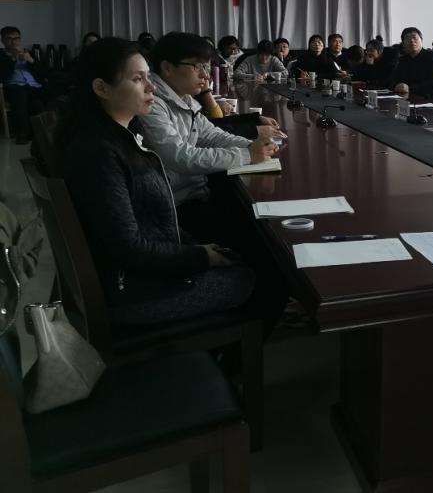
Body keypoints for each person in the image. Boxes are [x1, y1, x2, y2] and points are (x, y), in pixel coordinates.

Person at [59, 38, 255, 327]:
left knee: (244, 248)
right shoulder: (98, 153)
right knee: (257, 277)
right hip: (133, 293)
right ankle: (216, 349)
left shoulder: (124, 134)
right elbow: (128, 248)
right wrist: (201, 256)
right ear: (101, 88)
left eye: (148, 77)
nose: (152, 88)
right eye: (138, 79)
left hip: (149, 270)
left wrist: (197, 249)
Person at [136, 32, 288, 330]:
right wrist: (247, 155)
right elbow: (181, 157)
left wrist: (253, 146)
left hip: (197, 195)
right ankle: (243, 336)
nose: (206, 75)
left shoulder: (182, 98)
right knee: (271, 253)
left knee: (264, 231)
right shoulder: (154, 104)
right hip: (179, 210)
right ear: (167, 68)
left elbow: (210, 134)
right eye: (197, 67)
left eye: (207, 67)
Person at [1, 25, 49, 143]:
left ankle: (48, 132)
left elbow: (44, 72)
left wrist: (31, 60)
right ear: (3, 41)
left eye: (16, 38)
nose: (13, 42)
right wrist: (13, 58)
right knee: (20, 94)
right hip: (14, 87)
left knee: (40, 101)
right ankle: (23, 133)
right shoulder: (1, 55)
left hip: (34, 86)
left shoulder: (29, 53)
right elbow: (3, 73)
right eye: (9, 39)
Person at [393, 26, 433, 103]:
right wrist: (396, 86)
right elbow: (394, 79)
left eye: (414, 37)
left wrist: (409, 88)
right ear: (403, 44)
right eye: (407, 38)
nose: (411, 40)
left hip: (432, 101)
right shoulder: (402, 60)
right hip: (409, 100)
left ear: (421, 40)